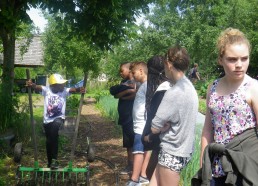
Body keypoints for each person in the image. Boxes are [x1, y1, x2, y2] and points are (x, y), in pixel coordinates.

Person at [193, 28, 258, 186]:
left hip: (246, 166)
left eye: (244, 58)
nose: (239, 65)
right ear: (220, 60)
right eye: (232, 59)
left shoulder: (253, 87)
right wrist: (204, 164)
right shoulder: (212, 87)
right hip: (216, 166)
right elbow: (208, 129)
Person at [149, 46, 199, 186]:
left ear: (169, 64)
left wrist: (163, 127)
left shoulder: (174, 92)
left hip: (172, 152)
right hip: (184, 149)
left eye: (164, 65)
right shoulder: (189, 86)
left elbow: (154, 128)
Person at [26, 73, 85, 169]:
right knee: (49, 141)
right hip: (47, 121)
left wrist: (80, 89)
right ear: (53, 85)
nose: (63, 86)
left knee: (54, 131)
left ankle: (54, 160)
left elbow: (73, 89)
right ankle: (50, 163)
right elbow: (36, 87)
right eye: (60, 84)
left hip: (59, 119)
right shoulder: (47, 90)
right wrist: (31, 84)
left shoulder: (64, 91)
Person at [141, 55, 171, 180]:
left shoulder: (161, 92)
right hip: (172, 144)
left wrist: (148, 136)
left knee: (154, 175)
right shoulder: (173, 87)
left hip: (163, 143)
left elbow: (157, 121)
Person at [109, 62, 138, 175]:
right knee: (127, 144)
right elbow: (115, 94)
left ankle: (137, 166)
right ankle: (129, 164)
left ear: (129, 70)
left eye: (122, 70)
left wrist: (125, 95)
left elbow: (135, 95)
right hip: (124, 117)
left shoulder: (137, 82)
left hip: (133, 117)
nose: (120, 73)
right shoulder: (124, 83)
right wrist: (126, 91)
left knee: (135, 142)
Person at [125, 61, 150, 186]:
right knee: (142, 150)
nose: (133, 75)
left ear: (141, 70)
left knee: (138, 151)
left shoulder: (148, 85)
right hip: (139, 125)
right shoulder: (143, 85)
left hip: (142, 125)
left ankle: (134, 179)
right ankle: (143, 176)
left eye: (134, 72)